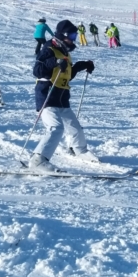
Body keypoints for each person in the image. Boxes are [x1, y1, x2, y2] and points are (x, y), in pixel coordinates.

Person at [29, 19, 96, 172]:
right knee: (56, 128)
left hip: (62, 97)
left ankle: (79, 150)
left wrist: (81, 65)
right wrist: (54, 62)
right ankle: (38, 160)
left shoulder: (64, 52)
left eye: (75, 36)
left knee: (75, 127)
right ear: (62, 35)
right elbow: (37, 71)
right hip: (47, 95)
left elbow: (66, 75)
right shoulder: (48, 48)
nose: (74, 39)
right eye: (71, 36)